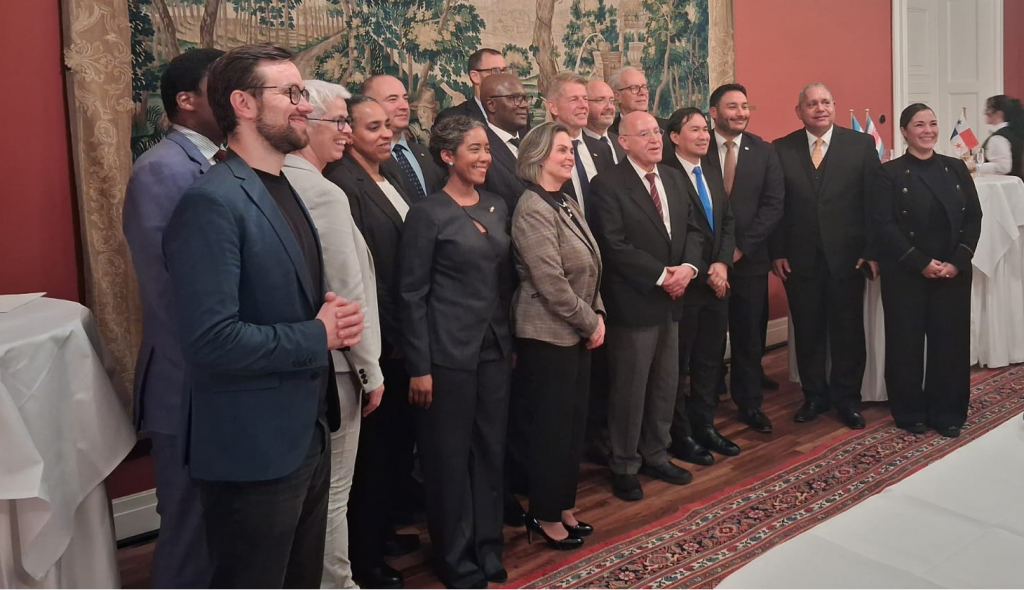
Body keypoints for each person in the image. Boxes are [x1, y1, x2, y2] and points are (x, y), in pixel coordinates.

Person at [162, 44, 364, 588]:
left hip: (306, 434)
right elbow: (210, 341)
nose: (305, 105)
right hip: (253, 450)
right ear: (243, 104)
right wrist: (317, 333)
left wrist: (327, 317)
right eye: (291, 92)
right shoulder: (212, 201)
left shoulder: (284, 188)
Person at [122, 47, 223, 589]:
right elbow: (168, 289)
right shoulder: (161, 169)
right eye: (220, 87)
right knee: (189, 532)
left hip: (221, 381)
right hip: (187, 381)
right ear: (186, 100)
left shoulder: (226, 161)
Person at [399, 116, 515, 588]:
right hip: (446, 355)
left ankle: (488, 546)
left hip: (494, 349)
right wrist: (419, 367)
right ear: (448, 157)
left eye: (487, 148)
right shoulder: (427, 214)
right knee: (447, 459)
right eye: (475, 149)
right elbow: (411, 295)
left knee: (490, 450)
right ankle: (454, 556)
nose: (485, 157)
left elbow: (504, 281)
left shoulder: (496, 205)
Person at [280, 80, 384, 589]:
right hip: (340, 363)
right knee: (333, 494)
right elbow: (347, 291)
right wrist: (370, 370)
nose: (346, 131)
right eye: (339, 121)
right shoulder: (321, 191)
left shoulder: (280, 181)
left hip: (306, 362)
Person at [323, 95, 415, 590]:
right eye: (371, 126)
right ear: (350, 133)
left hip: (405, 332)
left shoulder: (391, 173)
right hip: (378, 338)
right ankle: (366, 558)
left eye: (386, 126)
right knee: (371, 459)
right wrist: (391, 337)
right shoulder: (343, 182)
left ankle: (382, 535)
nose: (384, 134)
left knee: (394, 449)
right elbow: (364, 275)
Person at [590, 111, 704, 502]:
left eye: (657, 131)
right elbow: (613, 244)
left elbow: (693, 230)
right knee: (630, 390)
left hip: (674, 299)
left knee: (665, 385)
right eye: (644, 134)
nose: (655, 139)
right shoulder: (607, 184)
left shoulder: (672, 177)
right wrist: (661, 276)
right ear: (623, 142)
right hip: (635, 302)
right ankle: (624, 465)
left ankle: (657, 454)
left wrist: (688, 269)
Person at [511, 122, 605, 550]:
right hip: (547, 336)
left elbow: (592, 263)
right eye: (562, 150)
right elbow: (550, 282)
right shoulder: (532, 207)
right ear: (538, 157)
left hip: (578, 329)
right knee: (551, 430)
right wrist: (591, 322)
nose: (570, 156)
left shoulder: (565, 200)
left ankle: (564, 505)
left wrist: (597, 313)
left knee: (572, 426)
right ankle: (545, 515)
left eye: (571, 150)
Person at [770, 83, 879, 430]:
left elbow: (874, 202)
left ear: (834, 106)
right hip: (799, 260)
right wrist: (777, 250)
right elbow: (775, 205)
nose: (820, 109)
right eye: (812, 104)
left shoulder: (861, 145)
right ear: (799, 111)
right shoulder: (781, 149)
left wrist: (871, 250)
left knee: (848, 332)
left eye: (826, 102)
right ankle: (814, 396)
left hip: (848, 259)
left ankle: (847, 400)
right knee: (808, 331)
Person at [872, 103, 982, 437]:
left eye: (932, 123)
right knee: (904, 344)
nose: (928, 130)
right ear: (904, 132)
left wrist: (957, 261)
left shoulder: (955, 168)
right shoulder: (888, 173)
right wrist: (919, 262)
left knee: (950, 346)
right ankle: (910, 412)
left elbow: (973, 217)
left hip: (952, 271)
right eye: (919, 125)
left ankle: (948, 412)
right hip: (906, 271)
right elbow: (883, 224)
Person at [703, 83, 785, 433]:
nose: (741, 113)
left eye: (745, 106)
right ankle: (704, 405)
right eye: (732, 107)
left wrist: (738, 249)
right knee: (707, 339)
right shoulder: (697, 146)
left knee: (749, 336)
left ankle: (750, 403)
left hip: (749, 261)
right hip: (706, 263)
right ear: (714, 113)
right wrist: (717, 256)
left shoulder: (764, 151)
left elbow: (773, 205)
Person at [662, 107, 739, 464]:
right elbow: (679, 234)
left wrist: (722, 264)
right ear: (675, 137)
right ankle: (680, 435)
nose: (704, 135)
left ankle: (705, 425)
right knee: (679, 366)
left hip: (717, 283)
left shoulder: (709, 169)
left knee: (710, 361)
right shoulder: (666, 174)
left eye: (705, 129)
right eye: (694, 130)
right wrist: (706, 270)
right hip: (686, 287)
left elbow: (727, 222)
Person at [363, 74, 447, 202]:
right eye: (392, 99)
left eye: (405, 99)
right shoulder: (367, 160)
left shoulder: (424, 153)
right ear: (369, 106)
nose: (404, 106)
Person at [544, 72, 615, 222]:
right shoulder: (543, 153)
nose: (583, 105)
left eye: (585, 99)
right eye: (574, 99)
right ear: (553, 107)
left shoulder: (602, 149)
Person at [479, 72, 529, 211]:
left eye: (525, 98)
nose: (524, 105)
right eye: (515, 98)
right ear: (491, 105)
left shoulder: (532, 142)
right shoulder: (482, 150)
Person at [434, 48, 508, 125]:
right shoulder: (451, 119)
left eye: (505, 70)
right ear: (475, 76)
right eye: (495, 71)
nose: (503, 77)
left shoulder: (515, 115)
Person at [968, 94, 1024, 178]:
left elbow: (1003, 167)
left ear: (999, 113)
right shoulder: (1013, 132)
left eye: (988, 108)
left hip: (1003, 183)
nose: (985, 113)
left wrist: (974, 167)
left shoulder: (998, 138)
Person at [607, 66, 666, 135]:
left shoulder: (668, 128)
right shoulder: (608, 133)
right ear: (617, 96)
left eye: (644, 87)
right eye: (634, 88)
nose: (643, 93)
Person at [584, 78, 625, 163]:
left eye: (611, 101)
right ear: (584, 104)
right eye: (600, 100)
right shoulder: (576, 145)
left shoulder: (621, 143)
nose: (609, 107)